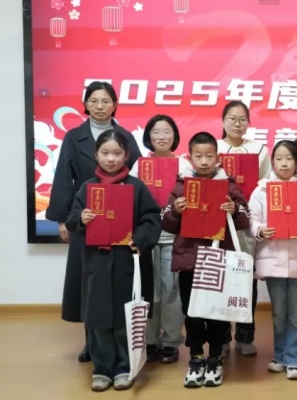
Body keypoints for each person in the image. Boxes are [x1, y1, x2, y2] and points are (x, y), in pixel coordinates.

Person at [46, 81, 141, 362]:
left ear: (115, 105)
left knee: (115, 280)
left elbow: (138, 177)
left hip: (120, 218)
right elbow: (63, 177)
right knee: (88, 280)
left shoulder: (126, 137)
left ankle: (119, 343)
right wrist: (63, 220)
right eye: (94, 100)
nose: (100, 106)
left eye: (106, 101)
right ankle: (91, 341)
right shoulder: (73, 137)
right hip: (85, 216)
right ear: (86, 104)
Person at [65, 130, 162, 391]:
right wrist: (81, 218)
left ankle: (123, 367)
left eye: (117, 153)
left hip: (126, 262)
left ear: (126, 155)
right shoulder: (87, 187)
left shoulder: (136, 186)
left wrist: (140, 239)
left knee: (124, 317)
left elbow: (152, 218)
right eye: (105, 153)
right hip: (96, 263)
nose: (111, 159)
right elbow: (72, 217)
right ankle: (102, 368)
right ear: (96, 154)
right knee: (98, 318)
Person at [162, 132, 250, 388]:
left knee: (217, 313)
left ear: (217, 157)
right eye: (198, 156)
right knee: (192, 312)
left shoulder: (228, 185)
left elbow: (245, 219)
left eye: (209, 156)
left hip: (219, 261)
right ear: (189, 157)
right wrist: (176, 211)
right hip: (189, 260)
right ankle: (196, 357)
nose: (203, 161)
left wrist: (234, 210)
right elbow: (166, 223)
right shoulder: (181, 186)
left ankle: (215, 358)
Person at [248, 140, 297, 380]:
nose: (284, 163)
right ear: (272, 162)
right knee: (278, 314)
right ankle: (279, 355)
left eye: (289, 158)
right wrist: (260, 230)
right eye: (279, 158)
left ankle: (294, 359)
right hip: (272, 261)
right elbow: (252, 221)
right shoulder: (261, 190)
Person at [130, 115, 194, 364]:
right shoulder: (139, 165)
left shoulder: (184, 165)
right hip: (147, 238)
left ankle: (170, 341)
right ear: (148, 136)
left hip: (173, 238)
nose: (161, 136)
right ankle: (150, 340)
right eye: (156, 132)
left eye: (167, 132)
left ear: (175, 136)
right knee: (149, 291)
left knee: (171, 292)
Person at [217, 100, 270, 356]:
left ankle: (245, 336)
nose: (237, 124)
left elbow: (267, 185)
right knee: (221, 279)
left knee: (246, 278)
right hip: (219, 221)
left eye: (242, 119)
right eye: (232, 118)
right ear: (223, 121)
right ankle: (221, 337)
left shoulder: (260, 150)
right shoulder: (214, 149)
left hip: (248, 221)